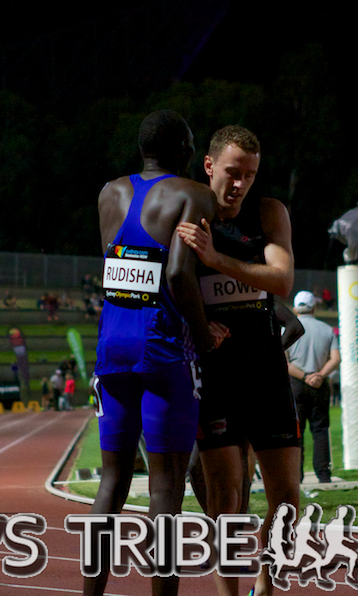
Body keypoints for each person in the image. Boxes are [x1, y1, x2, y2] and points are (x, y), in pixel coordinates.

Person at [86, 109, 221, 596]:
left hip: (111, 347)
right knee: (165, 488)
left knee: (111, 483)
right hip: (164, 350)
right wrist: (204, 337)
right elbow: (180, 275)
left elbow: (117, 266)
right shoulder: (193, 193)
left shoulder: (109, 192)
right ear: (185, 148)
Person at [176, 124, 297, 596]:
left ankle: (265, 587)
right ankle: (229, 594)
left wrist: (217, 258)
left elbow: (281, 279)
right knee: (226, 501)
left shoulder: (268, 214)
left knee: (288, 498)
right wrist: (197, 327)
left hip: (267, 371)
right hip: (216, 375)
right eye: (232, 172)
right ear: (209, 167)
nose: (240, 183)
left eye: (249, 174)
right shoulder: (189, 213)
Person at [285, 291, 340, 483]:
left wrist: (305, 376)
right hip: (319, 384)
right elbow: (336, 359)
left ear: (295, 308)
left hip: (296, 385)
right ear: (313, 308)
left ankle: (295, 476)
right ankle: (323, 474)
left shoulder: (289, 330)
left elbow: (285, 362)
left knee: (296, 433)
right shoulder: (326, 330)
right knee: (320, 430)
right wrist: (319, 375)